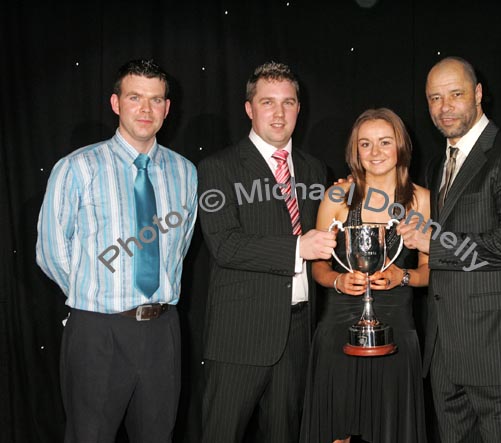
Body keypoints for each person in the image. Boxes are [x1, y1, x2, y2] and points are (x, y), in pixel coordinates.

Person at [36, 59, 198, 442]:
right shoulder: (78, 167)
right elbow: (51, 251)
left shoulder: (185, 171)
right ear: (115, 103)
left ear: (167, 108)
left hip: (163, 331)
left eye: (156, 100)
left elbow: (180, 247)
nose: (146, 109)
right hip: (98, 331)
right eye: (135, 98)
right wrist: (92, 297)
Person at [398, 56, 501, 442]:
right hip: (446, 354)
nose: (444, 107)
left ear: (478, 94)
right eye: (435, 98)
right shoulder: (437, 165)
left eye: (455, 94)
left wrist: (435, 242)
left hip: (500, 353)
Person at [197, 61, 336, 443]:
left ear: (298, 108)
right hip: (240, 335)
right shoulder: (218, 169)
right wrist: (298, 247)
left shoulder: (314, 170)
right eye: (268, 102)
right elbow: (225, 245)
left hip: (298, 334)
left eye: (288, 103)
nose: (279, 113)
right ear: (249, 108)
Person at [301, 108, 430, 443]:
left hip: (397, 332)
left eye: (385, 142)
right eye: (365, 144)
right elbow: (318, 265)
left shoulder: (423, 201)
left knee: (391, 432)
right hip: (337, 330)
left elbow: (431, 271)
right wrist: (337, 280)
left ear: (401, 146)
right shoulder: (337, 196)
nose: (375, 153)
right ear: (354, 150)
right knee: (336, 434)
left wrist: (403, 276)